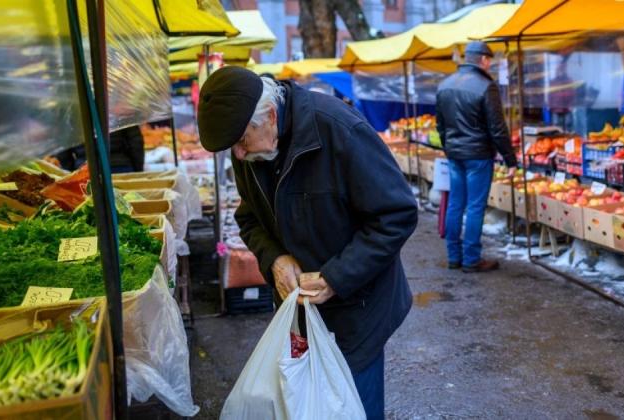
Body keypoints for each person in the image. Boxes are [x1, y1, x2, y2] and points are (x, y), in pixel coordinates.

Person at [196, 66, 418, 419]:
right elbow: (249, 218)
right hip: (300, 312)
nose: (238, 155)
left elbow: (397, 215)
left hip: (357, 310)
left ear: (269, 115)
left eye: (240, 142)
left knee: (353, 405)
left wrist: (336, 277)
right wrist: (275, 259)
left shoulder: (339, 130)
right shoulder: (250, 144)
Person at [435, 41, 517, 273]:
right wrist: (510, 160)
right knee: (474, 207)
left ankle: (454, 256)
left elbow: (440, 125)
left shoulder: (445, 85)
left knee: (455, 204)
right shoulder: (485, 86)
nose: (490, 65)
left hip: (455, 154)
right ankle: (471, 259)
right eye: (489, 60)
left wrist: (449, 148)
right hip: (478, 156)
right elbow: (497, 128)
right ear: (483, 59)